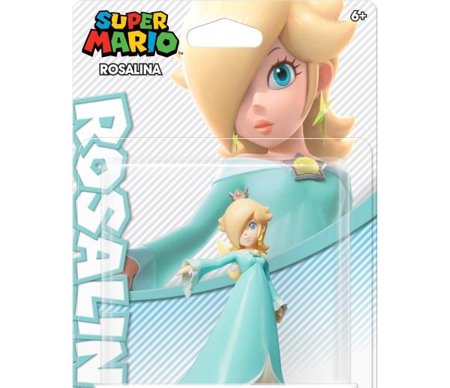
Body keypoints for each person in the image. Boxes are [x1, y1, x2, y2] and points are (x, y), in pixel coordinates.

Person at [124, 0, 356, 291]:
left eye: (281, 74)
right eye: (236, 93)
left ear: (321, 76)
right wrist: (138, 261)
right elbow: (196, 231)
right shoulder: (243, 170)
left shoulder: (337, 178)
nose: (257, 103)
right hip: (264, 299)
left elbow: (350, 251)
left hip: (325, 300)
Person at [178, 193, 287, 383]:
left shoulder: (262, 257)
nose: (246, 233)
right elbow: (215, 263)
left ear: (261, 227)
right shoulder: (239, 255)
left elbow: (269, 281)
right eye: (240, 229)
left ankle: (264, 375)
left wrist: (277, 302)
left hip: (262, 301)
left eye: (251, 226)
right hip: (244, 299)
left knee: (261, 333)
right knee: (239, 331)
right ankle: (236, 374)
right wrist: (193, 267)